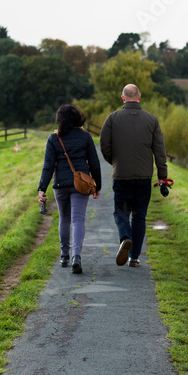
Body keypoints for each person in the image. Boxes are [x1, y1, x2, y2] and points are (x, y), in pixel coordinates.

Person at [100, 84, 168, 267]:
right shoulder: (152, 120)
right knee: (139, 216)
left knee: (121, 211)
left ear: (123, 98)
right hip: (144, 177)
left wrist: (115, 162)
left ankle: (125, 237)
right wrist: (162, 176)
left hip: (122, 176)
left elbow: (104, 146)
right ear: (139, 97)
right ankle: (134, 257)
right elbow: (160, 151)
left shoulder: (112, 119)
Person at [37, 104, 102, 274]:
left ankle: (64, 255)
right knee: (78, 219)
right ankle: (76, 256)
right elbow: (94, 164)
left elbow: (48, 166)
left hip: (61, 185)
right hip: (80, 184)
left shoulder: (53, 138)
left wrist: (42, 188)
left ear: (60, 120)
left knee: (64, 219)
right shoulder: (85, 137)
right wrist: (97, 186)